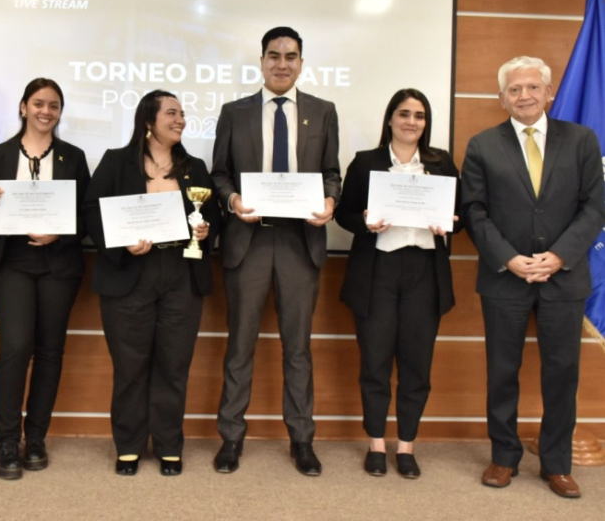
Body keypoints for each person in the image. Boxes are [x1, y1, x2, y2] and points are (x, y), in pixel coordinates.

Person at [462, 56, 604, 498]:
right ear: (501, 98)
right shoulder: (483, 145)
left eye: (531, 87)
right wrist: (510, 258)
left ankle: (557, 463)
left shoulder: (581, 140)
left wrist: (559, 256)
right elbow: (474, 211)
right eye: (514, 89)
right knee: (503, 371)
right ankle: (504, 457)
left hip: (564, 278)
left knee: (562, 373)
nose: (523, 95)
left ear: (549, 92)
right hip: (505, 277)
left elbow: (596, 207)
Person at [210, 26, 340, 475]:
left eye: (290, 56)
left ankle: (302, 439)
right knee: (239, 346)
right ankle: (231, 439)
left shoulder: (323, 112)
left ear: (301, 62)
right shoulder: (235, 112)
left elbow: (331, 173)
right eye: (273, 56)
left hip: (299, 243)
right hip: (249, 239)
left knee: (298, 348)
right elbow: (219, 174)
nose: (281, 63)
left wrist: (330, 201)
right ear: (261, 62)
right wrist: (231, 202)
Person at [82, 90, 220, 477]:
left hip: (181, 275)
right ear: (148, 121)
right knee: (130, 365)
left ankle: (168, 444)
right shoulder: (116, 162)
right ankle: (128, 445)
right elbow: (91, 211)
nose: (180, 119)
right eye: (171, 113)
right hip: (130, 273)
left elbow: (211, 216)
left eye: (183, 114)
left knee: (173, 365)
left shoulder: (193, 166)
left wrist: (207, 228)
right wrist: (122, 242)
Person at [336, 88, 461, 478]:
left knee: (416, 365)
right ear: (390, 118)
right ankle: (376, 443)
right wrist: (366, 222)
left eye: (419, 116)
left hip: (424, 271)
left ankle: (406, 445)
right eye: (403, 114)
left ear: (426, 123)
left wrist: (450, 224)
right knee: (374, 362)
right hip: (378, 271)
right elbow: (344, 215)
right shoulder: (365, 162)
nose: (411, 122)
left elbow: (460, 215)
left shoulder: (441, 164)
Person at [0, 78, 90, 480]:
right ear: (24, 106)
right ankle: (7, 440)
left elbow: (87, 213)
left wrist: (60, 230)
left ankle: (36, 437)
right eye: (39, 104)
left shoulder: (74, 157)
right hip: (13, 262)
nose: (46, 111)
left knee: (50, 351)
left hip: (59, 263)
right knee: (14, 348)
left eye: (55, 106)